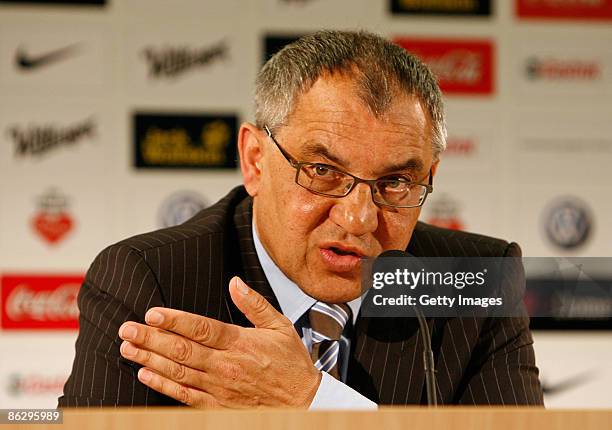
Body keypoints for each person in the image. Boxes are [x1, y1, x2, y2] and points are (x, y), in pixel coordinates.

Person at [58, 30, 544, 408]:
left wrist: (313, 402)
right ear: (254, 160)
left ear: (430, 177)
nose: (358, 219)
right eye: (323, 171)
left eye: (395, 182)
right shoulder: (152, 280)